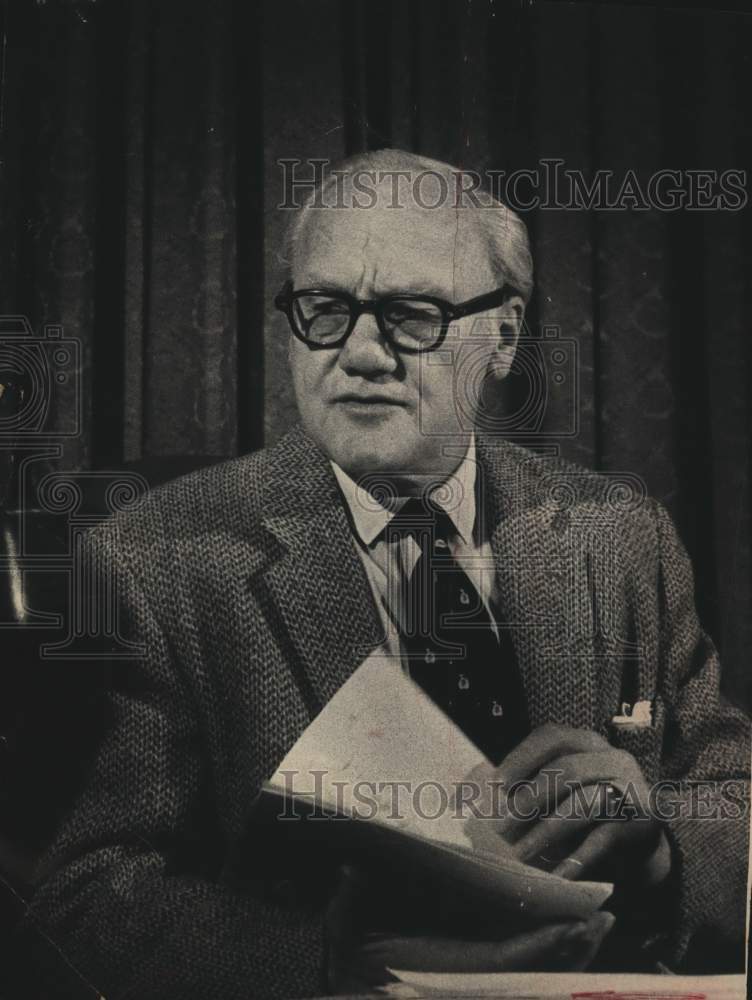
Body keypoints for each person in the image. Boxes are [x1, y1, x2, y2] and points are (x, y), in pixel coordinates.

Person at [22, 150, 750, 999]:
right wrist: (329, 964)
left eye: (412, 315)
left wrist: (662, 847)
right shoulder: (155, 562)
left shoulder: (621, 535)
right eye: (325, 308)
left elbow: (731, 798)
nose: (362, 353)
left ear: (505, 336)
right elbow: (85, 892)